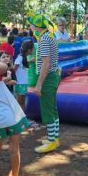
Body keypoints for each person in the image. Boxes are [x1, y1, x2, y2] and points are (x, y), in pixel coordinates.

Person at [28, 13, 60, 153]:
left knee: (47, 110)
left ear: (36, 26)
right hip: (52, 76)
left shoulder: (45, 39)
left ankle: (52, 141)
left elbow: (46, 63)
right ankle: (54, 138)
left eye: (31, 24)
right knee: (52, 109)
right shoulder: (48, 36)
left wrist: (39, 84)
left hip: (47, 78)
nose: (30, 26)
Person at [14, 40, 34, 110]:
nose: (33, 50)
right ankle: (20, 118)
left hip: (23, 83)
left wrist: (31, 60)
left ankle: (23, 118)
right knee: (20, 103)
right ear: (29, 50)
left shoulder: (24, 58)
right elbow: (14, 69)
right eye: (33, 49)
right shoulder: (20, 57)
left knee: (22, 103)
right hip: (19, 83)